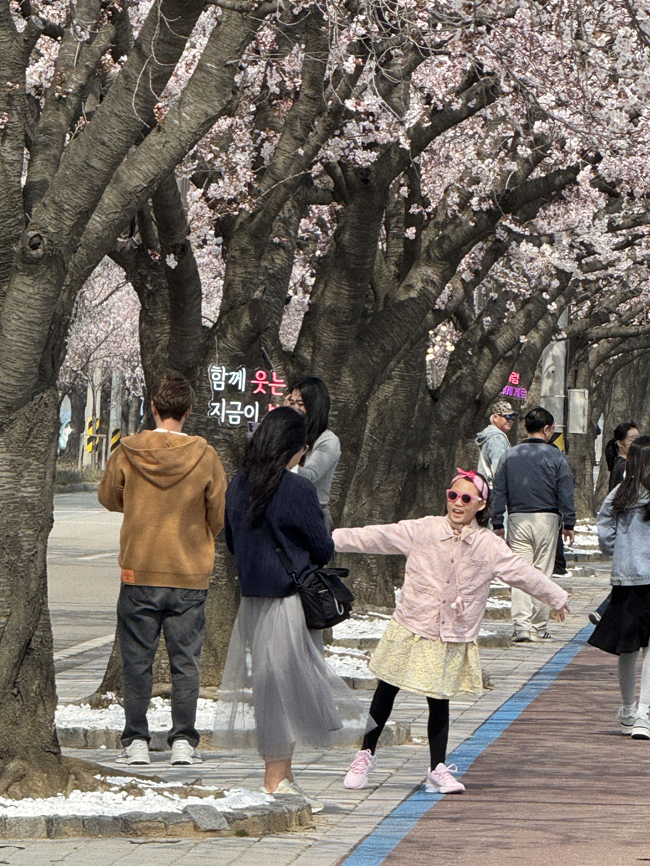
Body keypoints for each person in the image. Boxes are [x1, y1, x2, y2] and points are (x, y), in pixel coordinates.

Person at [334, 469, 570, 793]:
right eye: (453, 496)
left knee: (439, 699)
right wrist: (327, 539)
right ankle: (365, 755)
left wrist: (556, 597)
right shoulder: (425, 529)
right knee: (385, 690)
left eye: (466, 498)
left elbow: (521, 572)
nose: (457, 503)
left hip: (451, 632)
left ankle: (437, 769)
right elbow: (376, 536)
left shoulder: (488, 545)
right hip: (413, 623)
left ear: (481, 505)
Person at [216, 406, 363, 811]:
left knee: (269, 686)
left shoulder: (239, 484)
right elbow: (323, 546)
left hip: (252, 601)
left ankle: (285, 776)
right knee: (281, 689)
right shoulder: (297, 490)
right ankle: (274, 781)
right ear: (296, 449)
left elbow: (231, 541)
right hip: (288, 602)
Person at [98, 372, 227, 766]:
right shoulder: (205, 456)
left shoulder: (128, 450)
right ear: (188, 411)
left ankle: (136, 741)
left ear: (152, 407)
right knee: (185, 663)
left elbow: (107, 496)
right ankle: (184, 742)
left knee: (137, 661)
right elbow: (218, 513)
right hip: (189, 574)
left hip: (140, 570)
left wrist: (137, 504)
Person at [491, 407, 576, 643]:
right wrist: (569, 522)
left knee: (519, 573)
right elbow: (565, 492)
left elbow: (499, 490)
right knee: (542, 573)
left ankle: (521, 626)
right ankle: (539, 625)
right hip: (548, 519)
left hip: (518, 518)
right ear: (547, 429)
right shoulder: (556, 456)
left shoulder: (510, 455)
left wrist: (497, 521)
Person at [588, 436, 650, 739]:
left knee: (628, 648)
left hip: (625, 579)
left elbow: (604, 532)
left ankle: (627, 708)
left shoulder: (620, 494)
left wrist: (619, 549)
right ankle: (645, 713)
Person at [589, 421, 641, 626]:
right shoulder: (624, 468)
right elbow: (611, 509)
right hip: (627, 534)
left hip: (629, 537)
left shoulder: (627, 466)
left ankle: (605, 611)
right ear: (620, 444)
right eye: (633, 440)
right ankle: (606, 611)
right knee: (630, 581)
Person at [284, 376, 341, 531]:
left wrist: (279, 464)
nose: (295, 408)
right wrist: (283, 416)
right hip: (284, 509)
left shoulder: (328, 440)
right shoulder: (290, 430)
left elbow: (309, 475)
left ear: (315, 406)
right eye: (292, 403)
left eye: (300, 404)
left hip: (312, 514)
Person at [474, 400, 517, 486]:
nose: (510, 420)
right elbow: (499, 470)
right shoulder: (497, 437)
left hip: (484, 486)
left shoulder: (488, 434)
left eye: (513, 417)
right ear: (495, 417)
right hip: (494, 490)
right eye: (507, 417)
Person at [605, 421, 640, 492]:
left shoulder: (629, 463)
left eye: (638, 439)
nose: (637, 443)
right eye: (632, 439)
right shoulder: (622, 465)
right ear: (619, 443)